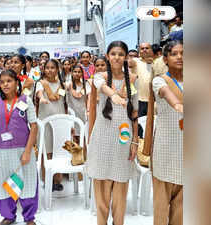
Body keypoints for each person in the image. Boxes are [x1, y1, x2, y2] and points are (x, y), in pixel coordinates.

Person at [87, 41, 139, 225]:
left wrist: (135, 142)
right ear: (108, 56)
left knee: (120, 186)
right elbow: (101, 85)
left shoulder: (132, 78)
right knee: (101, 186)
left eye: (120, 54)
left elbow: (134, 112)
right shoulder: (99, 76)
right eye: (113, 53)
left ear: (126, 57)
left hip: (123, 138)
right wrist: (113, 95)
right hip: (102, 137)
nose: (117, 57)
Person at [0, 69, 39, 225]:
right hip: (1, 150)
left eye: (9, 81)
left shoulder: (26, 100)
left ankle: (29, 217)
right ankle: (8, 216)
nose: (5, 84)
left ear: (16, 83)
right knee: (3, 183)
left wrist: (28, 151)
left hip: (22, 150)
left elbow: (33, 126)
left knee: (28, 183)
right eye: (2, 81)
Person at [145, 40, 183, 225]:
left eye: (183, 53)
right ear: (165, 59)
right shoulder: (159, 80)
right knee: (161, 207)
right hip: (165, 150)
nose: (180, 57)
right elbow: (166, 93)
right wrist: (177, 104)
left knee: (182, 208)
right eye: (174, 53)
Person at [33, 59, 68, 191]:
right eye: (47, 68)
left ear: (57, 69)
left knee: (59, 150)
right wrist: (42, 98)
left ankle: (57, 180)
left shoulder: (62, 85)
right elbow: (39, 93)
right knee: (46, 150)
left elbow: (62, 102)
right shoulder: (40, 84)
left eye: (52, 67)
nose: (49, 70)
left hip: (60, 122)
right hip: (45, 121)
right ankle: (46, 179)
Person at [129, 42, 155, 138]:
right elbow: (129, 63)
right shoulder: (135, 61)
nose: (144, 50)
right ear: (139, 51)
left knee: (152, 126)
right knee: (138, 127)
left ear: (151, 50)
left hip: (154, 101)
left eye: (147, 48)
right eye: (142, 48)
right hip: (138, 101)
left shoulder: (156, 63)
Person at [66, 65, 91, 159]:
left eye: (79, 72)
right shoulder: (68, 85)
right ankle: (75, 159)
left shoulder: (85, 85)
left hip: (82, 113)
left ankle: (84, 159)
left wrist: (88, 111)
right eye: (75, 72)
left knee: (83, 136)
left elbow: (88, 98)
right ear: (72, 73)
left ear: (82, 73)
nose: (77, 74)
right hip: (72, 113)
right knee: (73, 137)